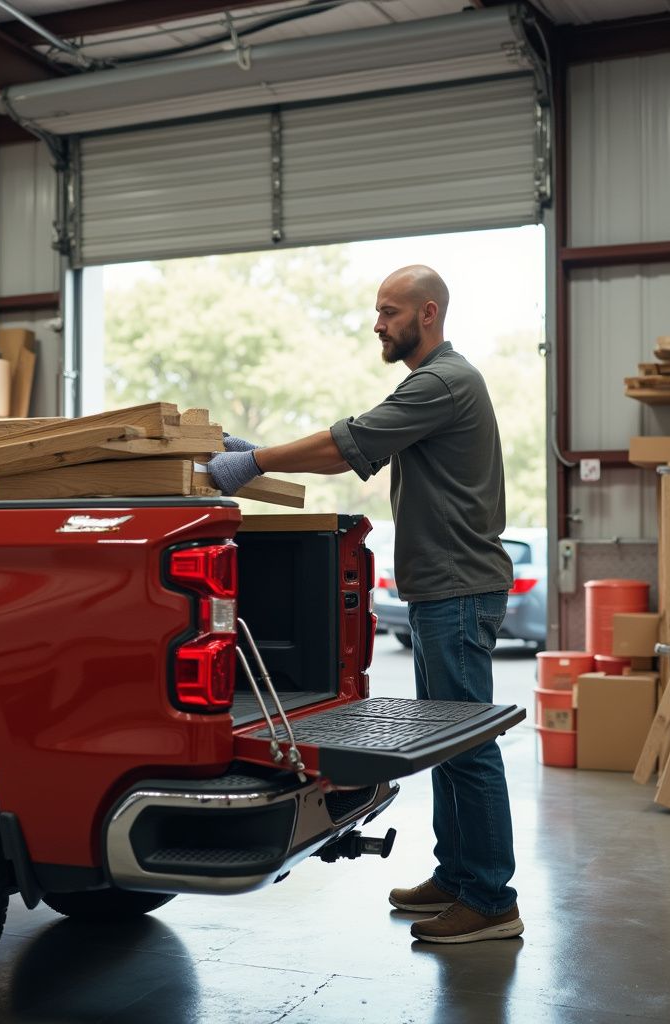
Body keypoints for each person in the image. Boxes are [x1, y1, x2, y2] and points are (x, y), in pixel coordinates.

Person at [209, 265, 521, 945]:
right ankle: (459, 876)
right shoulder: (436, 382)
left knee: (470, 748)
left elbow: (347, 445)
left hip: (460, 592)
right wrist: (257, 456)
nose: (378, 325)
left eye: (389, 312)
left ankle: (493, 900)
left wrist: (253, 460)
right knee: (452, 743)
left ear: (428, 313)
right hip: (447, 590)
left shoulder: (442, 381)